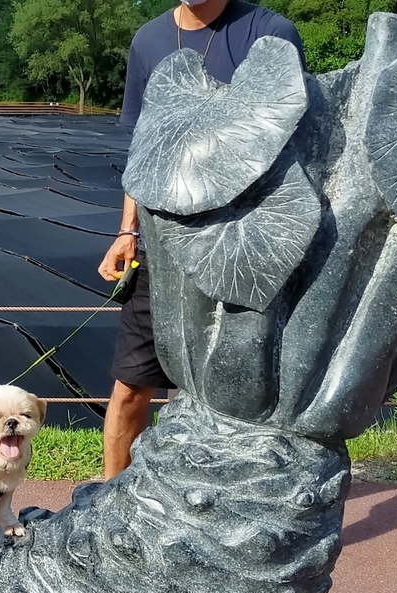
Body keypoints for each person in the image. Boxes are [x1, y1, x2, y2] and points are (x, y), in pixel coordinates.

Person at [97, 0, 305, 479]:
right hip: (159, 243)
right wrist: (127, 230)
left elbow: (288, 134)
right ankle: (111, 493)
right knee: (130, 384)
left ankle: (215, 492)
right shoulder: (148, 40)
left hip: (238, 241)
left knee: (222, 390)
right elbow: (143, 146)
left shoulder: (268, 31)